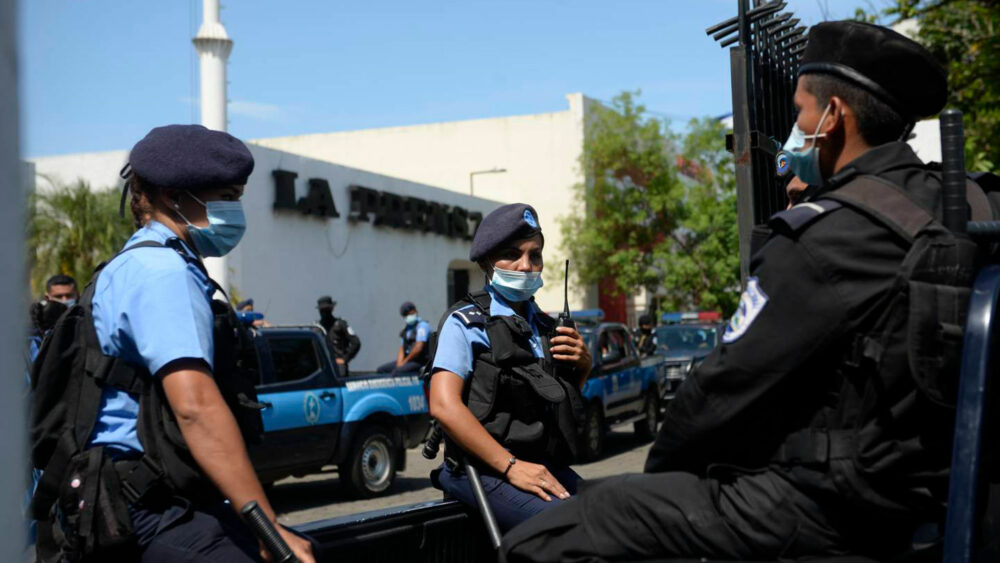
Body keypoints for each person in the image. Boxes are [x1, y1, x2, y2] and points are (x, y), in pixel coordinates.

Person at [501, 21, 989, 562]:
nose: (794, 132)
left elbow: (720, 391)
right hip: (932, 494)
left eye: (801, 113)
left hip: (835, 506)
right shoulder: (967, 204)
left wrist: (659, 482)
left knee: (555, 533)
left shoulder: (824, 236)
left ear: (834, 119)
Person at [31, 125, 313, 562]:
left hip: (130, 498)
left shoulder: (137, 262)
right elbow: (194, 406)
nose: (235, 210)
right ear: (172, 196)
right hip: (143, 508)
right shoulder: (163, 273)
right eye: (226, 196)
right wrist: (268, 528)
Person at [428, 203, 592, 532]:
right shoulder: (466, 323)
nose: (526, 266)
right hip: (482, 469)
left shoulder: (544, 326)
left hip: (540, 465)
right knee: (575, 530)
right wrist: (511, 466)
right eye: (512, 254)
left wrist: (583, 367)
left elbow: (554, 405)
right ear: (488, 261)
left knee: (620, 515)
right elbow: (443, 406)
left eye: (535, 256)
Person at [377, 301, 432, 374]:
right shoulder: (406, 329)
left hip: (420, 361)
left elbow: (418, 348)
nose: (409, 315)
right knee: (382, 370)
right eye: (406, 314)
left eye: (411, 312)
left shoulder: (422, 326)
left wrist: (405, 362)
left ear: (415, 311)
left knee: (397, 372)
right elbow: (402, 348)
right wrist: (400, 363)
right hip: (409, 360)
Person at [316, 296, 361, 375]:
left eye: (327, 310)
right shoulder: (316, 328)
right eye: (322, 310)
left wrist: (345, 359)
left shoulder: (340, 325)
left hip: (337, 365)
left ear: (331, 309)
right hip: (322, 366)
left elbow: (356, 342)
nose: (324, 313)